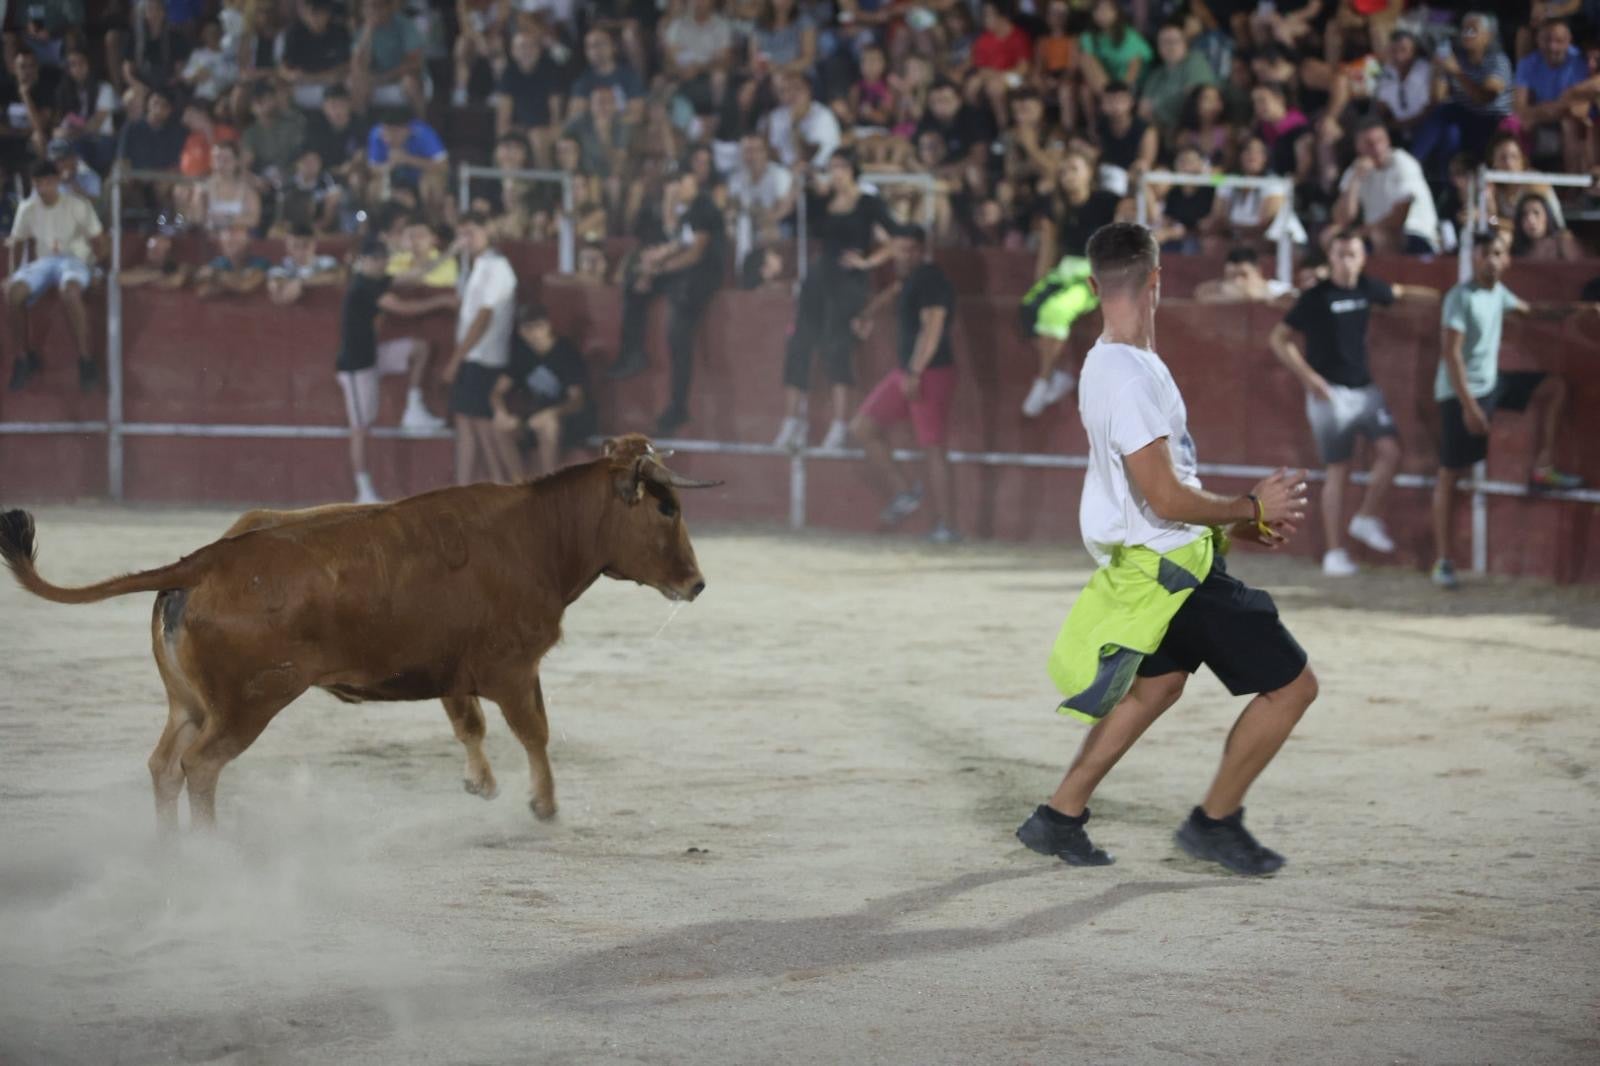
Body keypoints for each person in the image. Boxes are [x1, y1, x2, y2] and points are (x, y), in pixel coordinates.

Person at [1015, 221, 1315, 876]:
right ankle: (1215, 823)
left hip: (1155, 564)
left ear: (1093, 284)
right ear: (1158, 278)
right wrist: (1250, 508)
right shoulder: (1129, 376)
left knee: (1156, 688)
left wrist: (1236, 526)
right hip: (1175, 571)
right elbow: (1165, 497)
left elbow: (1162, 489)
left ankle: (1057, 817)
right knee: (1293, 687)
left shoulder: (1111, 363)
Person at [1269, 229, 1436, 577]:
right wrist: (1309, 378)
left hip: (1364, 388)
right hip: (1329, 394)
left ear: (1362, 259)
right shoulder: (1315, 296)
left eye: (1352, 255)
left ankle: (1366, 517)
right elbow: (1279, 338)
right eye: (1340, 254)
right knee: (1338, 470)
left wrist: (1441, 298)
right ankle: (1334, 552)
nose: (1346, 262)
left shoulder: (1366, 288)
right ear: (1331, 258)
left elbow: (1399, 293)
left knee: (1391, 452)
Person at [1431, 231, 1587, 590]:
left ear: (1507, 260)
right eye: (1486, 253)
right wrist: (1470, 407)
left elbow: (1532, 311)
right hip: (1459, 393)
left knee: (1554, 387)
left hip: (1491, 383)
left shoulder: (1498, 292)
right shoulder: (1460, 297)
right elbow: (1451, 356)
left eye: (1498, 253)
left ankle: (1542, 468)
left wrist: (1581, 310)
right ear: (1475, 258)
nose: (1492, 259)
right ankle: (1442, 561)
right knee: (1450, 475)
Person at [773, 148, 901, 452]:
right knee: (799, 344)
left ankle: (840, 426)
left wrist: (868, 262)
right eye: (832, 167)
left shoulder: (868, 203)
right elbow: (781, 215)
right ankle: (792, 422)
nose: (836, 172)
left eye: (841, 166)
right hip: (819, 276)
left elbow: (897, 238)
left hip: (849, 281)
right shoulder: (822, 201)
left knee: (836, 347)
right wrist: (797, 182)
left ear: (853, 169)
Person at [848, 226, 961, 544]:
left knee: (933, 448)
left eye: (910, 249)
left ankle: (947, 527)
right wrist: (867, 314)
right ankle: (905, 492)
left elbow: (933, 326)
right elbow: (895, 291)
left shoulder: (930, 278)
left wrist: (915, 370)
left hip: (929, 372)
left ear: (922, 251)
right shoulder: (912, 278)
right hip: (908, 371)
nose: (904, 255)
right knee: (862, 427)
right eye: (899, 249)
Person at [609, 165, 726, 436]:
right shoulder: (687, 211)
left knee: (678, 332)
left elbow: (696, 254)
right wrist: (653, 265)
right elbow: (679, 243)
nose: (676, 191)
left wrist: (660, 269)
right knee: (635, 284)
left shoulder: (704, 208)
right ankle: (633, 351)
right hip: (685, 270)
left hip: (703, 274)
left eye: (679, 185)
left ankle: (678, 405)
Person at [335, 238, 454, 504]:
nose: (382, 264)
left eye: (383, 259)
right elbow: (403, 308)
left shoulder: (375, 280)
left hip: (372, 357)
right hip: (356, 368)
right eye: (377, 259)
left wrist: (452, 250)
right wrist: (443, 301)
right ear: (365, 260)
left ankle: (413, 408)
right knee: (361, 429)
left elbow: (416, 274)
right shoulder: (362, 286)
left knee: (419, 349)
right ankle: (363, 490)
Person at [1021, 148, 1121, 417]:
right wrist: (1039, 281)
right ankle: (1057, 374)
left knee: (1055, 312)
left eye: (1074, 169)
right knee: (1028, 310)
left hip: (1095, 275)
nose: (1068, 176)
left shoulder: (1107, 202)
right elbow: (1048, 247)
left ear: (1090, 173)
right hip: (1064, 271)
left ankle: (1043, 379)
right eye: (1064, 171)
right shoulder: (1056, 206)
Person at [5, 159, 105, 391]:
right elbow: (17, 242)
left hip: (75, 259)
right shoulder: (27, 208)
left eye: (48, 183)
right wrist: (13, 273)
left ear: (57, 181)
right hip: (45, 261)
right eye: (39, 184)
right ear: (34, 184)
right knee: (13, 292)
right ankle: (23, 358)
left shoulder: (77, 204)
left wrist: (96, 269)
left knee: (70, 291)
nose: (43, 188)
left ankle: (85, 360)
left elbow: (100, 241)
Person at [443, 211, 520, 486]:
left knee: (483, 428)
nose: (466, 240)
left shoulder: (496, 267)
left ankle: (499, 487)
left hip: (484, 356)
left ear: (486, 230)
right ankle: (465, 489)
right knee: (467, 423)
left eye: (471, 233)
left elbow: (484, 317)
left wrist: (456, 359)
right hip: (475, 356)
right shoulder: (475, 266)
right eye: (461, 234)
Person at [490, 304, 597, 478]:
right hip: (536, 417)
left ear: (548, 325)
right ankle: (519, 486)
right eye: (527, 328)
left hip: (572, 420)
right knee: (501, 428)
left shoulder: (565, 351)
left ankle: (548, 486)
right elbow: (497, 391)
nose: (533, 333)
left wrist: (551, 413)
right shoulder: (522, 353)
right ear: (521, 331)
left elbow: (577, 400)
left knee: (548, 425)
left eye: (538, 326)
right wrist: (500, 412)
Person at [1332, 117, 1439, 255]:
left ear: (1388, 140)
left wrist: (1364, 231)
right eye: (1369, 143)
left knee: (1381, 236)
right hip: (1373, 235)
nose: (1376, 148)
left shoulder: (1403, 163)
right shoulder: (1356, 169)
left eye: (1380, 141)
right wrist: (1355, 181)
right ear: (1358, 146)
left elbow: (1399, 216)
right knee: (1330, 236)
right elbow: (1342, 218)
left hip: (1416, 235)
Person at [266, 223, 342, 305]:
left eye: (306, 245)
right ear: (288, 246)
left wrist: (301, 283)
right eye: (295, 246)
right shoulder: (281, 264)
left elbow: (336, 275)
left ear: (314, 244)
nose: (300, 251)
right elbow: (277, 283)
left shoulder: (326, 261)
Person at [193, 223, 270, 298]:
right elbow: (203, 291)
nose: (230, 247)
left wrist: (216, 275)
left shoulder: (260, 262)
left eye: (235, 242)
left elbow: (246, 285)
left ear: (248, 243)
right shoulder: (220, 262)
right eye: (227, 243)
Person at [1194, 246, 1296, 303]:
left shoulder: (1279, 289)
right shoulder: (1211, 290)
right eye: (1232, 276)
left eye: (1243, 275)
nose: (1238, 281)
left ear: (1257, 271)